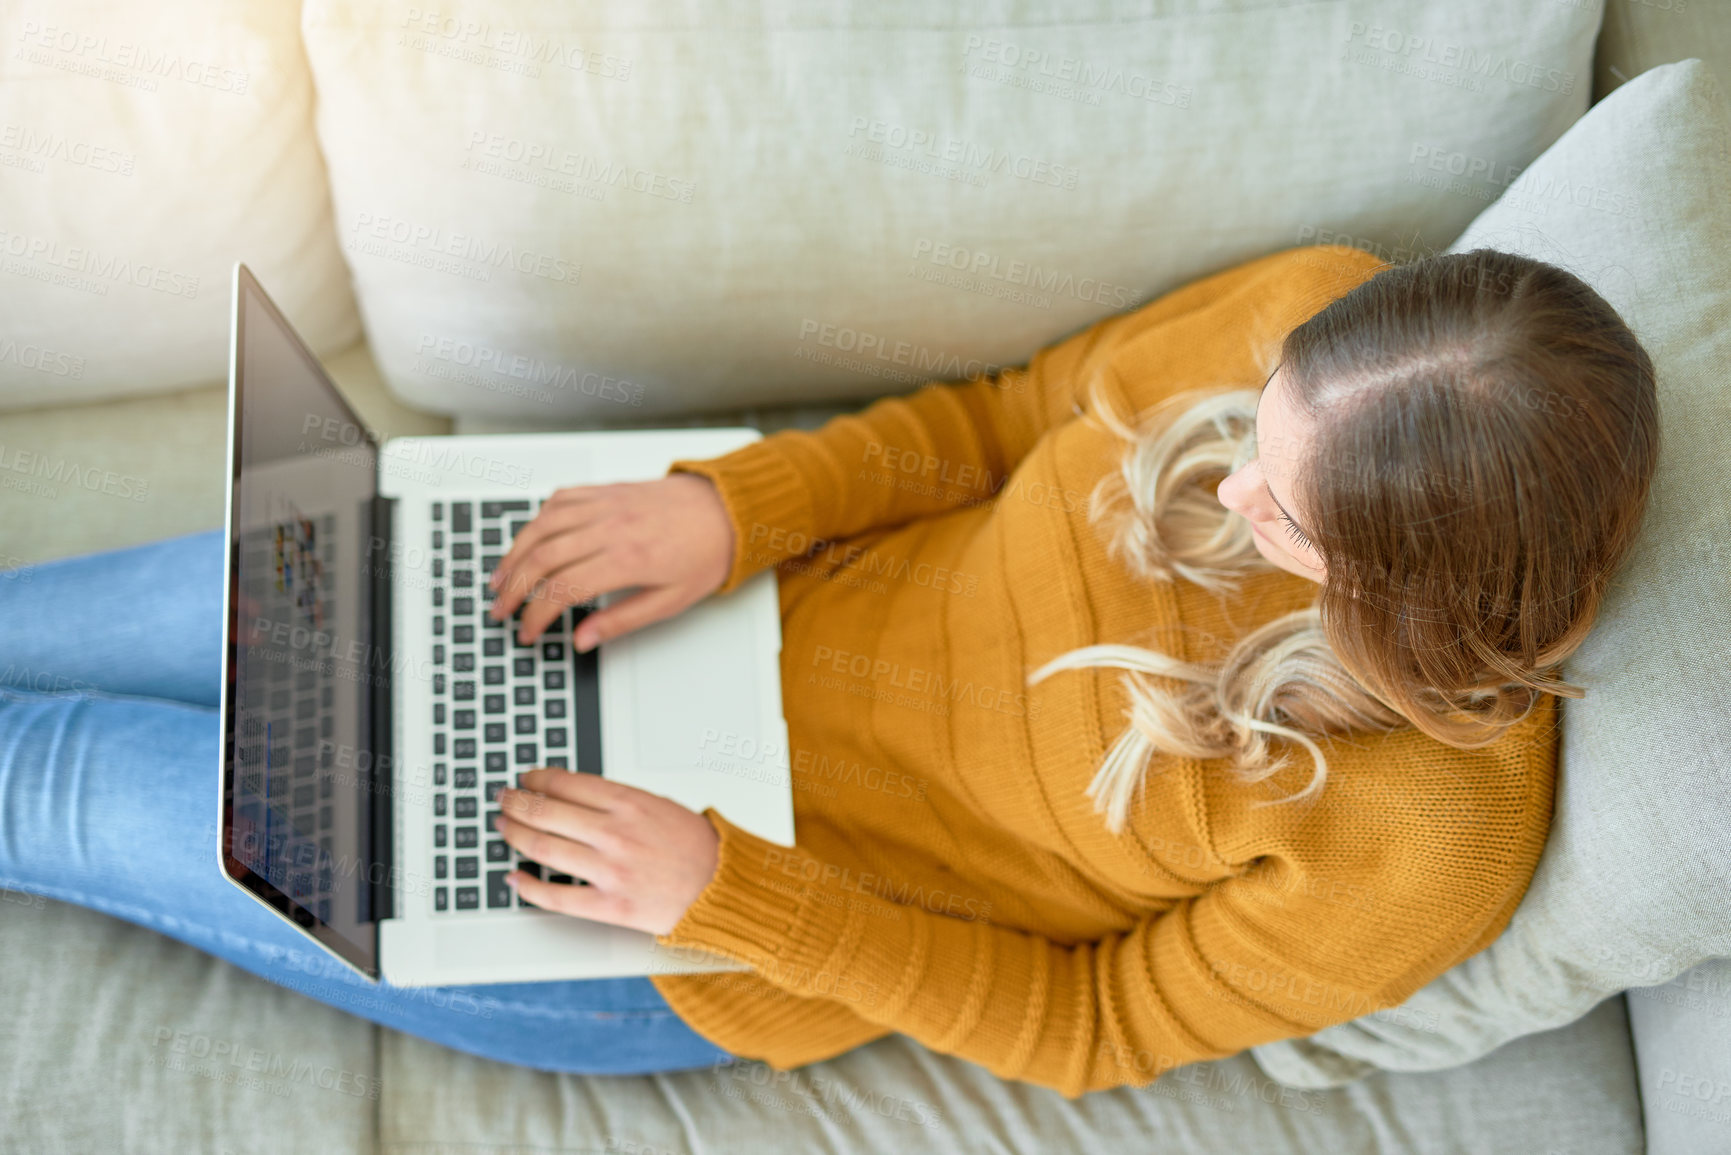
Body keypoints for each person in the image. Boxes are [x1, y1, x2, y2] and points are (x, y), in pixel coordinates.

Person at [0, 242, 1659, 1096]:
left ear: (1409, 603)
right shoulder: (1317, 306)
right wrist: (737, 510)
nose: (1226, 486)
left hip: (696, 927)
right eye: (1266, 417)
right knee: (38, 630)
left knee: (52, 774)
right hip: (688, 604)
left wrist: (729, 896)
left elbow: (1090, 1027)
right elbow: (1003, 417)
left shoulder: (1425, 846)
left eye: (1277, 510)